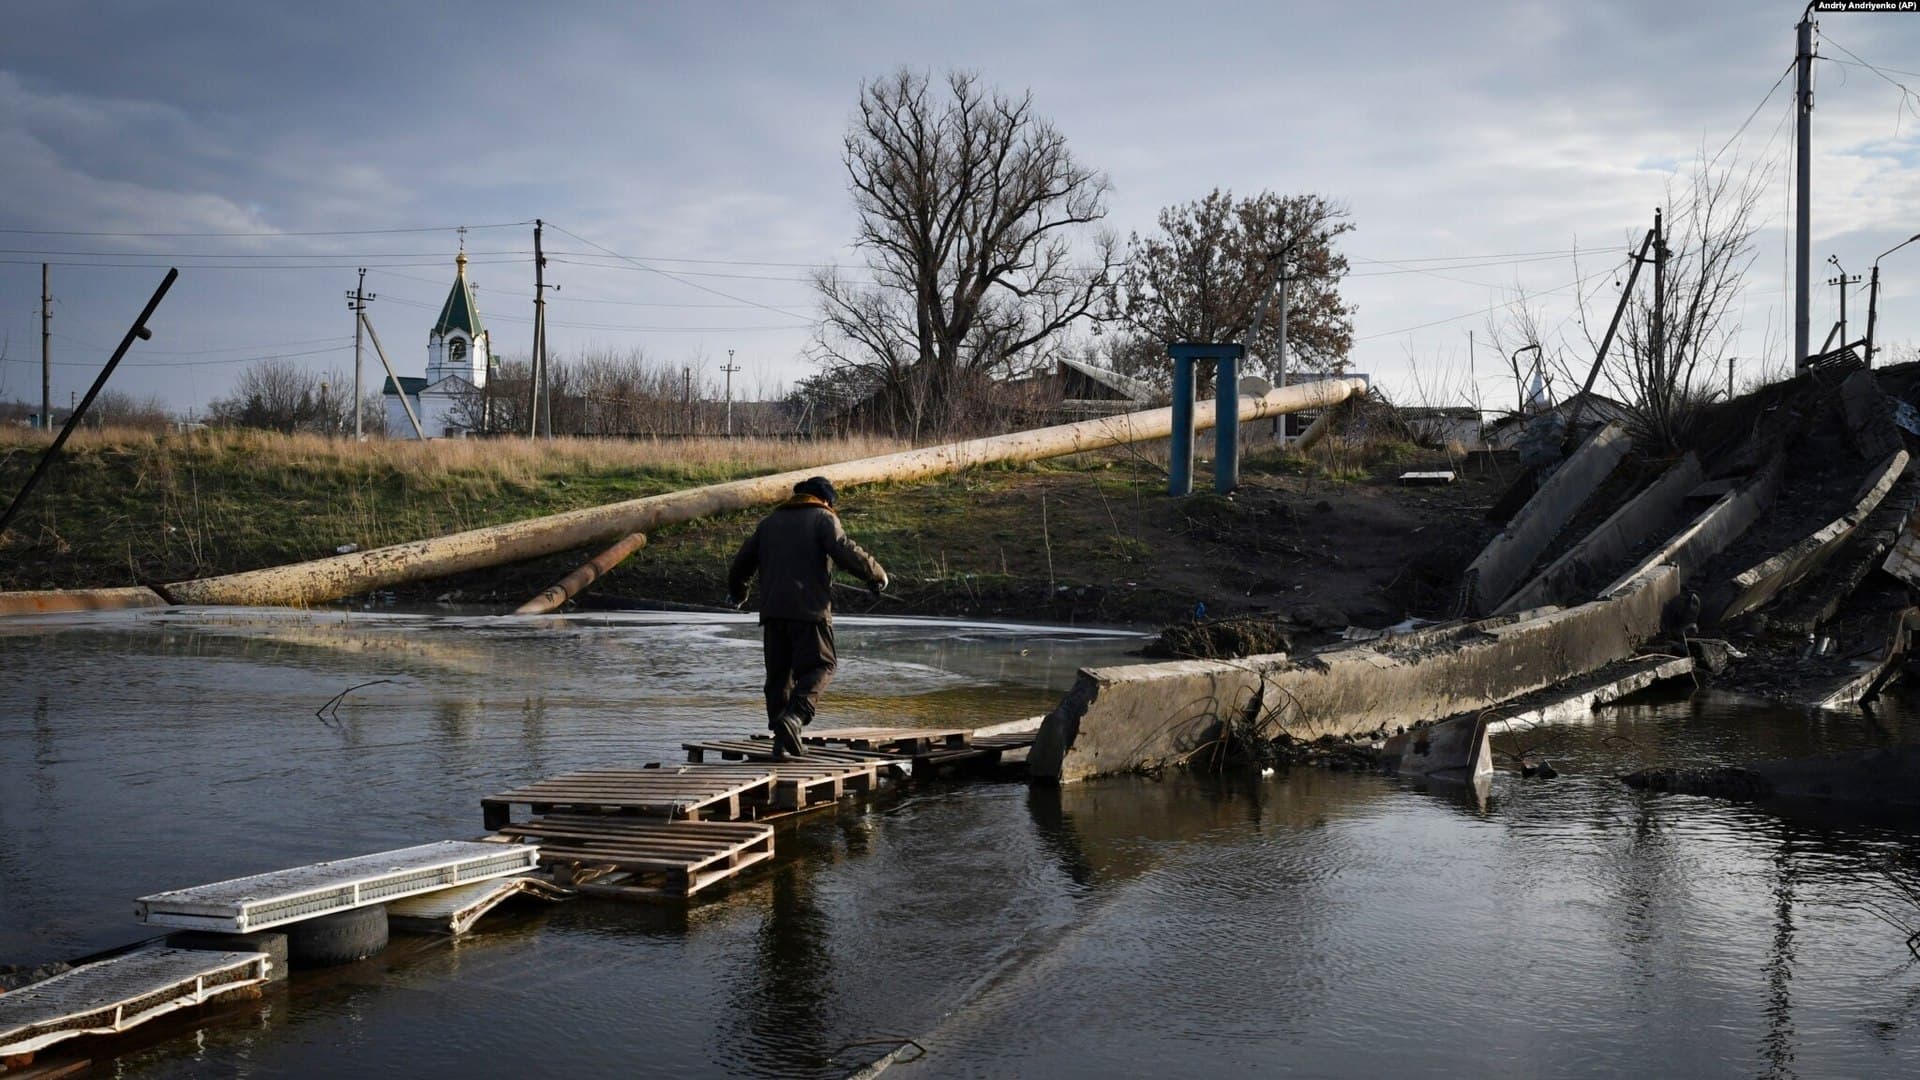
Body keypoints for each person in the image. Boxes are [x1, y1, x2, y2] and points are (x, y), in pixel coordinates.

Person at [727, 476, 889, 759]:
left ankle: (781, 743)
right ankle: (796, 717)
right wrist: (875, 575)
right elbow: (844, 549)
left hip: (773, 613)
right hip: (810, 610)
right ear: (824, 500)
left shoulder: (769, 523)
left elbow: (742, 563)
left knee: (780, 678)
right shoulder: (822, 518)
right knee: (823, 665)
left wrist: (739, 594)